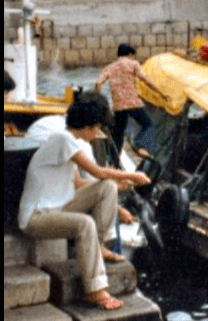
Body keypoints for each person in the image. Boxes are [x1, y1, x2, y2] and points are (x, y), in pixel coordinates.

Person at [18, 92, 151, 310]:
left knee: (107, 188)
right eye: (98, 127)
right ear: (89, 125)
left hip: (57, 207)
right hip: (35, 218)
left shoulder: (67, 142)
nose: (98, 133)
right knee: (84, 223)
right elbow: (97, 171)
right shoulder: (63, 140)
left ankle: (99, 246)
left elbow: (80, 182)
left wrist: (116, 186)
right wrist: (131, 175)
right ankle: (95, 290)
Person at [96, 44, 169, 157]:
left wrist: (98, 97)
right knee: (148, 125)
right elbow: (146, 80)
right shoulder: (133, 64)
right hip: (133, 103)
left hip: (119, 106)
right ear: (130, 54)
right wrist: (162, 93)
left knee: (118, 135)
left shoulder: (110, 67)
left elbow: (98, 83)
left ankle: (114, 164)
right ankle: (140, 145)